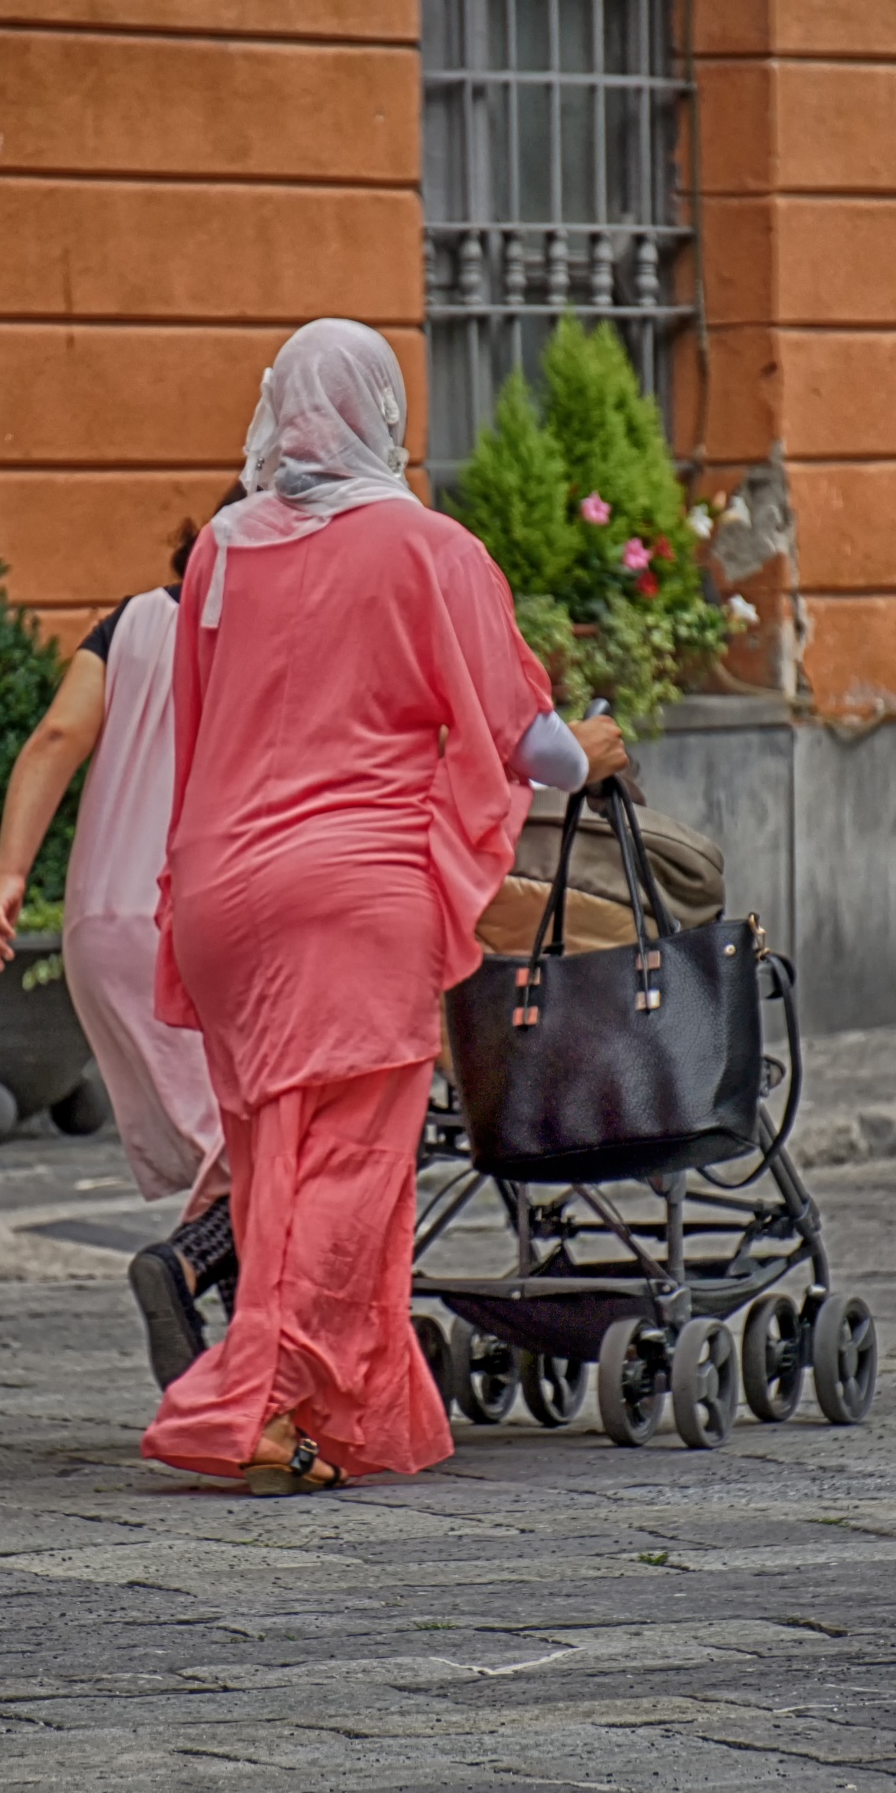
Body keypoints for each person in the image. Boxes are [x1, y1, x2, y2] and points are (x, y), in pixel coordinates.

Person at [143, 319, 628, 1495]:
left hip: (221, 894)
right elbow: (531, 743)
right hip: (353, 892)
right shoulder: (427, 548)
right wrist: (598, 748)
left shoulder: (216, 554)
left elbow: (199, 728)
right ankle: (248, 1401)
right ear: (384, 415)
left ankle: (314, 1411)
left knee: (272, 1169)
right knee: (355, 1165)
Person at [0, 491, 247, 1389]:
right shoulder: (263, 625)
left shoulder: (127, 623)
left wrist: (10, 876)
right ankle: (184, 1270)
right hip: (195, 921)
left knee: (228, 1154)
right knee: (266, 1144)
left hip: (97, 927)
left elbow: (56, 736)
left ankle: (244, 1360)